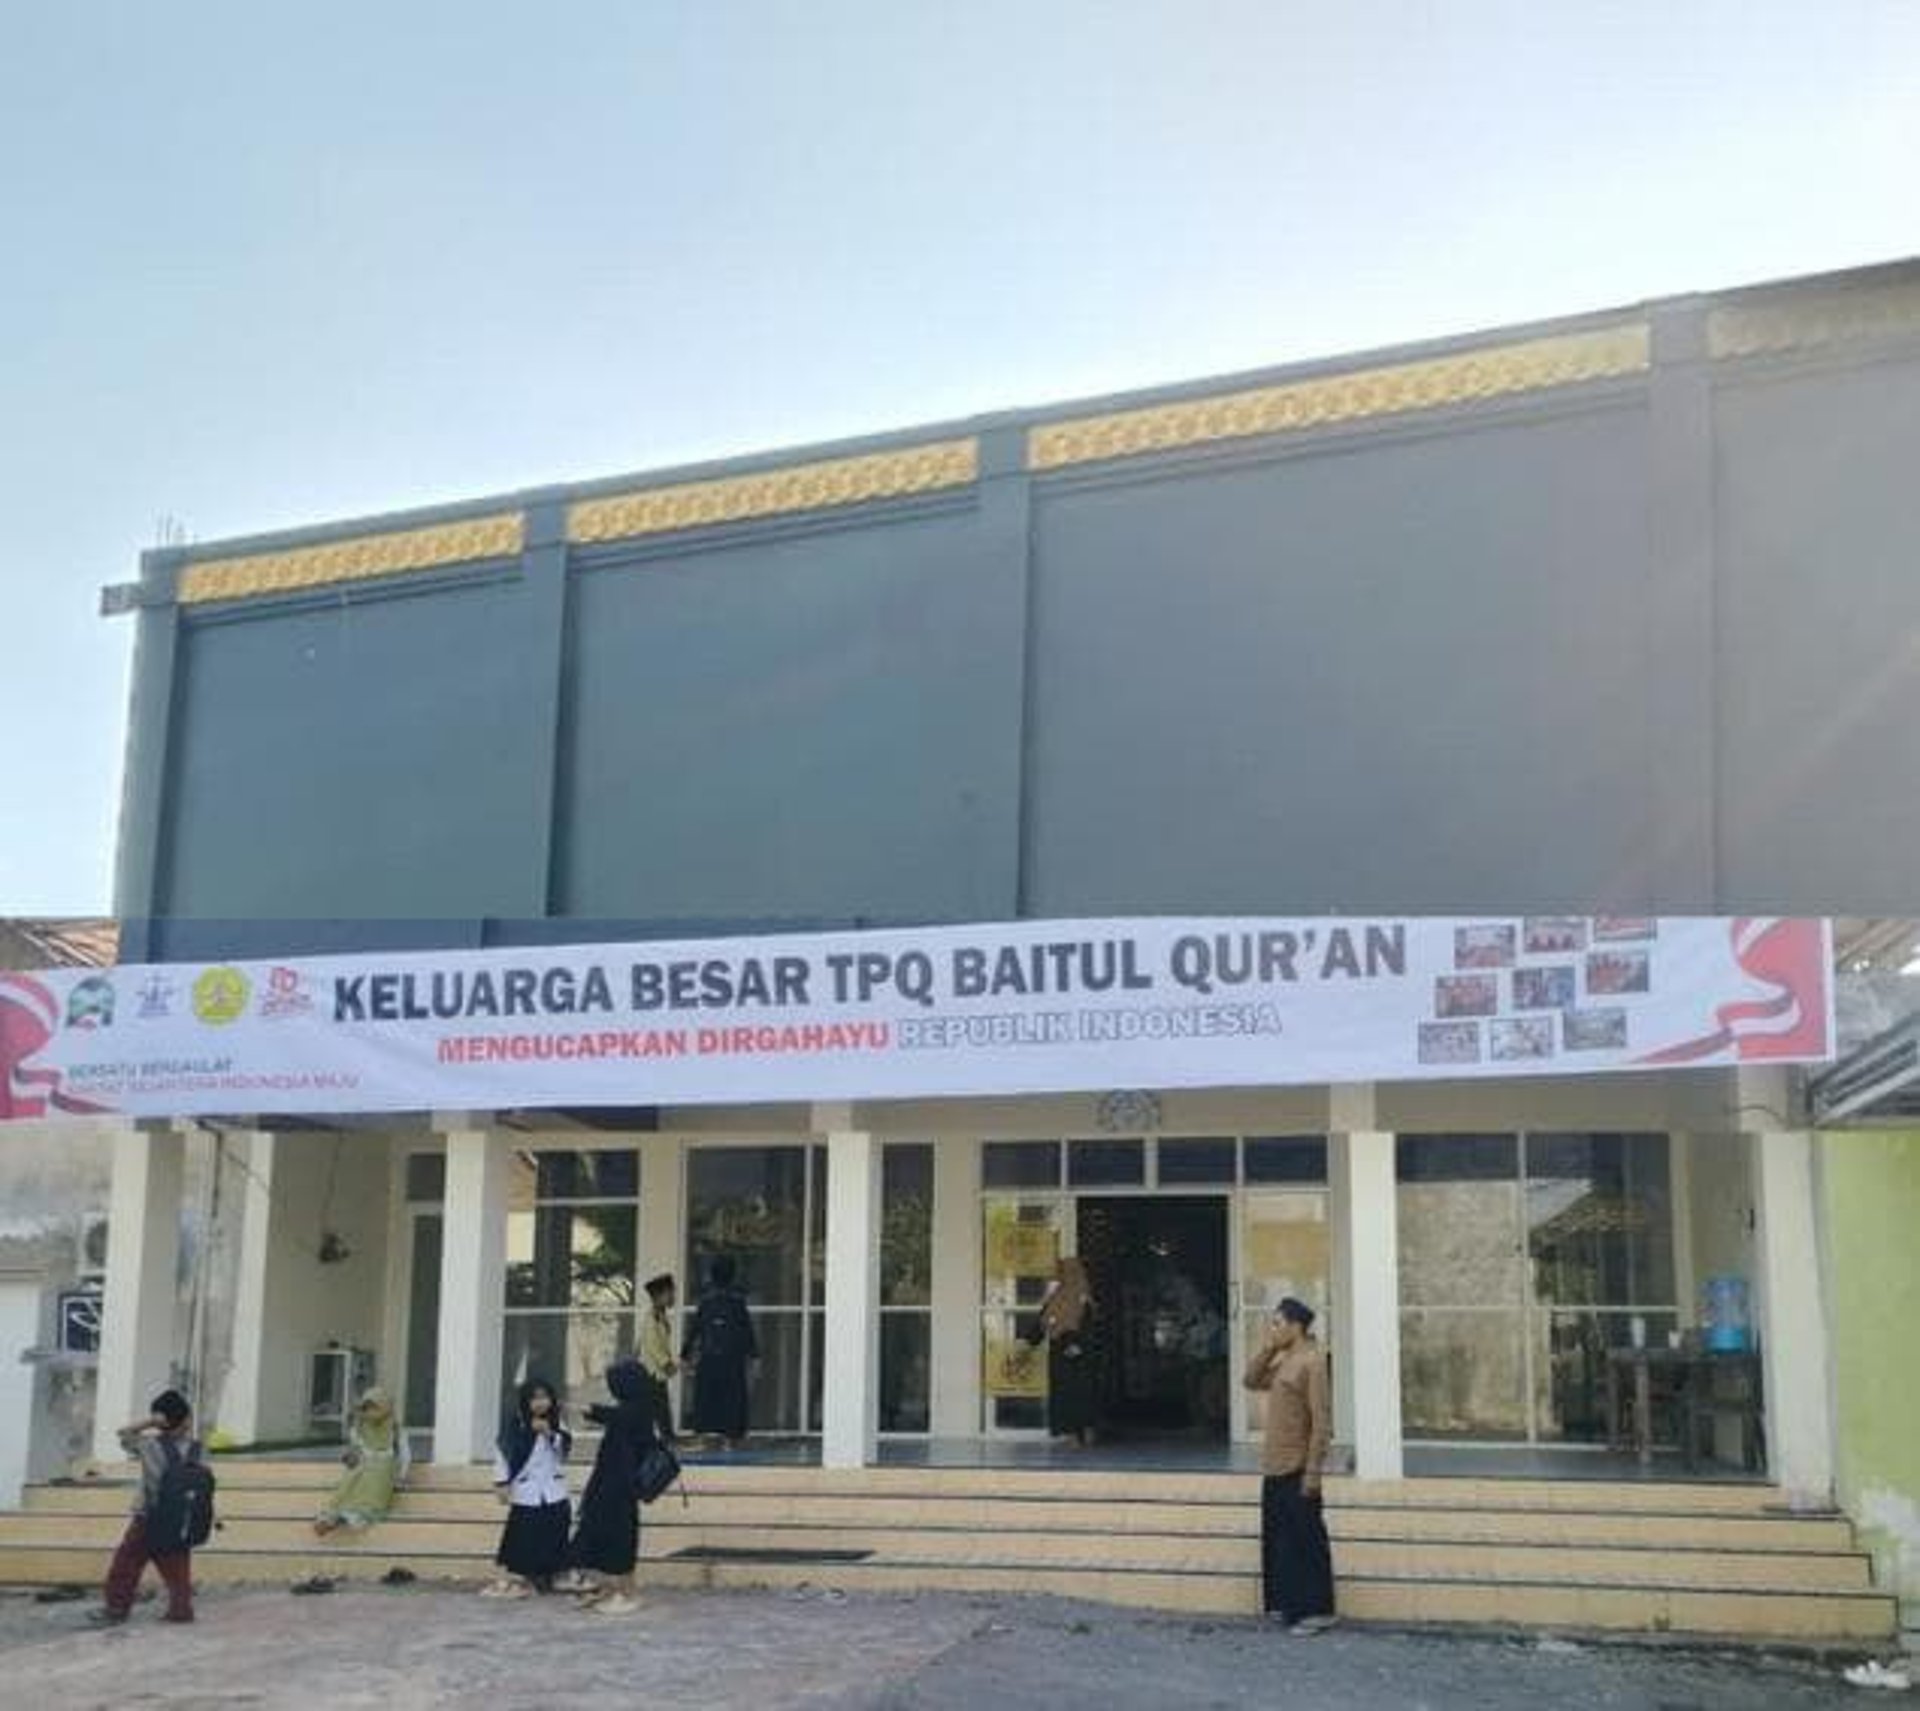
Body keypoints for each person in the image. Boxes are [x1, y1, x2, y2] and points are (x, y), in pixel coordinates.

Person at [1242, 1296, 1336, 1633]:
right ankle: (1286, 1604)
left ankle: (1317, 1611)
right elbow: (1251, 1380)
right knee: (1280, 1539)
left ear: (1296, 1326)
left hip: (1299, 1466)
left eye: (1278, 1323)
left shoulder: (1312, 1361)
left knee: (1306, 1540)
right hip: (1275, 1465)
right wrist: (1268, 1348)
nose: (1273, 1329)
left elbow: (1321, 1422)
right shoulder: (1286, 1361)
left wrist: (1313, 1471)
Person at [95, 1388, 201, 1625]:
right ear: (186, 1419)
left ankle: (116, 1608)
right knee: (177, 1564)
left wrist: (151, 1421)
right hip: (182, 1517)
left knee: (127, 1562)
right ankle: (180, 1609)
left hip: (149, 1515)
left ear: (161, 1421)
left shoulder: (150, 1446)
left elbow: (123, 1434)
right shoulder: (199, 1449)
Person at [567, 1358, 658, 1614]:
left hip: (621, 1487)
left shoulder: (636, 1411)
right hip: (609, 1483)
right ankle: (607, 1587)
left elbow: (614, 1417)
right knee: (599, 1534)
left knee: (618, 1537)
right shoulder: (633, 1408)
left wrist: (587, 1408)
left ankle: (627, 1592)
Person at [483, 1378, 572, 1598]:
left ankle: (551, 1574)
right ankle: (525, 1577)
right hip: (527, 1489)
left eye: (545, 1397)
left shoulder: (557, 1421)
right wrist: (501, 1483)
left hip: (552, 1488)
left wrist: (549, 1433)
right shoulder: (516, 1422)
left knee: (554, 1529)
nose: (540, 1403)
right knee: (526, 1533)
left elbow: (564, 1452)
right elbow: (503, 1452)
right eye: (535, 1398)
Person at [681, 1255, 757, 1448]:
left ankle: (702, 1436)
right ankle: (730, 1438)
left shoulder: (706, 1302)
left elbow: (694, 1330)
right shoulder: (737, 1303)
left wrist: (685, 1355)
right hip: (732, 1358)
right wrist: (755, 1355)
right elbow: (747, 1331)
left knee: (706, 1396)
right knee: (732, 1397)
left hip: (709, 1357)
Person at [313, 1387, 410, 1535]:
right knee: (351, 1480)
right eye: (367, 1408)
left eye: (374, 1408)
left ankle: (359, 1514)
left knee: (374, 1479)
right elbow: (357, 1449)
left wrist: (401, 1477)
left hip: (385, 1467)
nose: (370, 1413)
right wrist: (350, 1457)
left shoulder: (394, 1428)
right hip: (364, 1464)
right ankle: (331, 1516)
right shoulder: (360, 1427)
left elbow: (404, 1455)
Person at [1030, 1255, 1099, 1446]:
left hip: (1076, 1353)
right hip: (1063, 1352)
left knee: (1078, 1394)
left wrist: (1077, 1344)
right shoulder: (1055, 1296)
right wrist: (1028, 1342)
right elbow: (1042, 1323)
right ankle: (1076, 1435)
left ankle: (1082, 1433)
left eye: (1062, 1271)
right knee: (1070, 1394)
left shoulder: (1082, 1297)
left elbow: (1089, 1325)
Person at [637, 1272, 679, 1444]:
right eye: (670, 1293)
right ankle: (667, 1440)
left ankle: (667, 1438)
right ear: (659, 1296)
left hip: (656, 1372)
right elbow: (653, 1345)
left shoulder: (660, 1316)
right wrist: (667, 1364)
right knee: (659, 1409)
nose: (673, 1297)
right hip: (652, 1372)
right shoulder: (652, 1318)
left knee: (660, 1408)